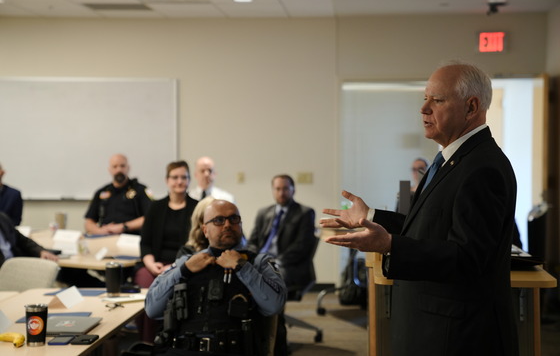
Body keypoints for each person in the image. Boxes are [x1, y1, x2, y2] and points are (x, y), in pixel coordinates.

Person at [321, 62, 519, 356]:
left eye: (437, 100)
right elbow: (426, 227)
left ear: (471, 106)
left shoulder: (482, 167)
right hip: (433, 324)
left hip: (458, 336)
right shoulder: (448, 159)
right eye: (424, 98)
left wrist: (389, 245)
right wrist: (370, 217)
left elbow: (467, 258)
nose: (424, 108)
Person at [145, 199, 286, 356]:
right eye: (219, 220)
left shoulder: (258, 262)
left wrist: (241, 266)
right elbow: (152, 308)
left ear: (240, 225)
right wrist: (184, 271)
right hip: (182, 349)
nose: (227, 225)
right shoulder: (186, 262)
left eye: (234, 219)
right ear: (205, 230)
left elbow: (275, 305)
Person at [247, 174, 316, 355]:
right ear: (273, 191)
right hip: (262, 262)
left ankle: (277, 341)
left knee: (273, 278)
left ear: (293, 190)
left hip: (288, 266)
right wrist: (252, 259)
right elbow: (253, 241)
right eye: (277, 189)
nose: (281, 192)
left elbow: (301, 247)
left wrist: (274, 262)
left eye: (285, 188)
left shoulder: (305, 213)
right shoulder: (264, 212)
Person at [135, 160, 198, 343]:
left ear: (188, 180)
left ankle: (164, 341)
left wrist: (173, 266)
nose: (179, 181)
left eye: (183, 177)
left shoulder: (196, 208)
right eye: (175, 177)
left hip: (182, 265)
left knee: (167, 290)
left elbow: (197, 246)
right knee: (146, 291)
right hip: (153, 265)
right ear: (167, 180)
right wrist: (151, 264)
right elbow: (145, 243)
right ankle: (146, 343)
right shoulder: (155, 207)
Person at [84, 154, 153, 235]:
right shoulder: (101, 192)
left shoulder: (140, 190)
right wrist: (99, 231)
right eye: (115, 166)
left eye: (122, 166)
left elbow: (150, 217)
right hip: (105, 236)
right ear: (109, 169)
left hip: (130, 237)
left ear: (128, 168)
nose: (119, 170)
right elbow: (89, 222)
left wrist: (123, 227)